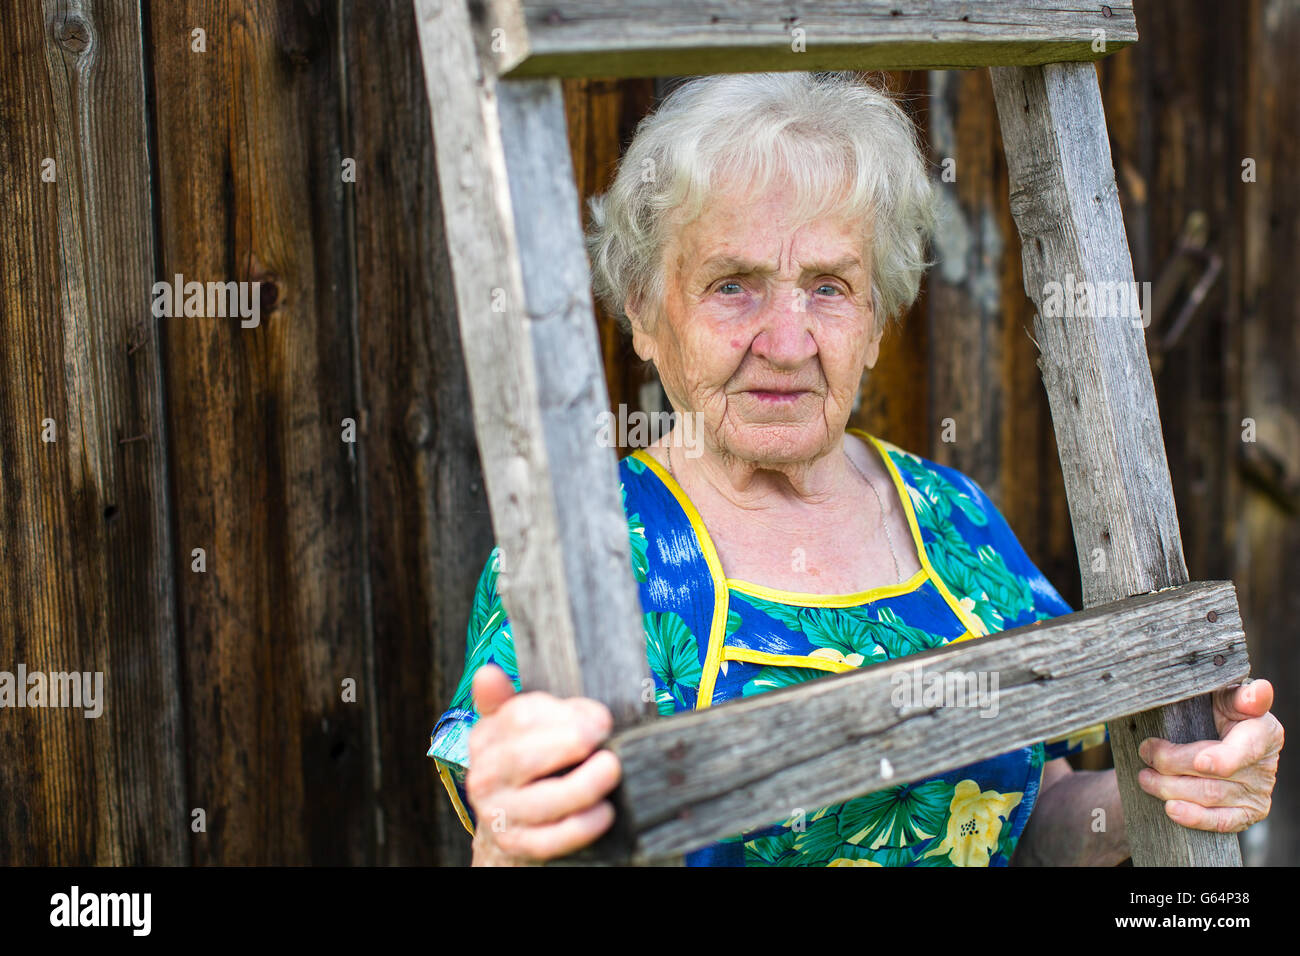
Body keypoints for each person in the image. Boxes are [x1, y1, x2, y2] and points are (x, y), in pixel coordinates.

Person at [428, 72, 1283, 866]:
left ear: (876, 321)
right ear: (646, 312)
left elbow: (1028, 817)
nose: (788, 341)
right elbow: (519, 824)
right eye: (734, 284)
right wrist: (514, 833)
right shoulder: (586, 553)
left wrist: (1181, 777)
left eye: (829, 287)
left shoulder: (953, 517)